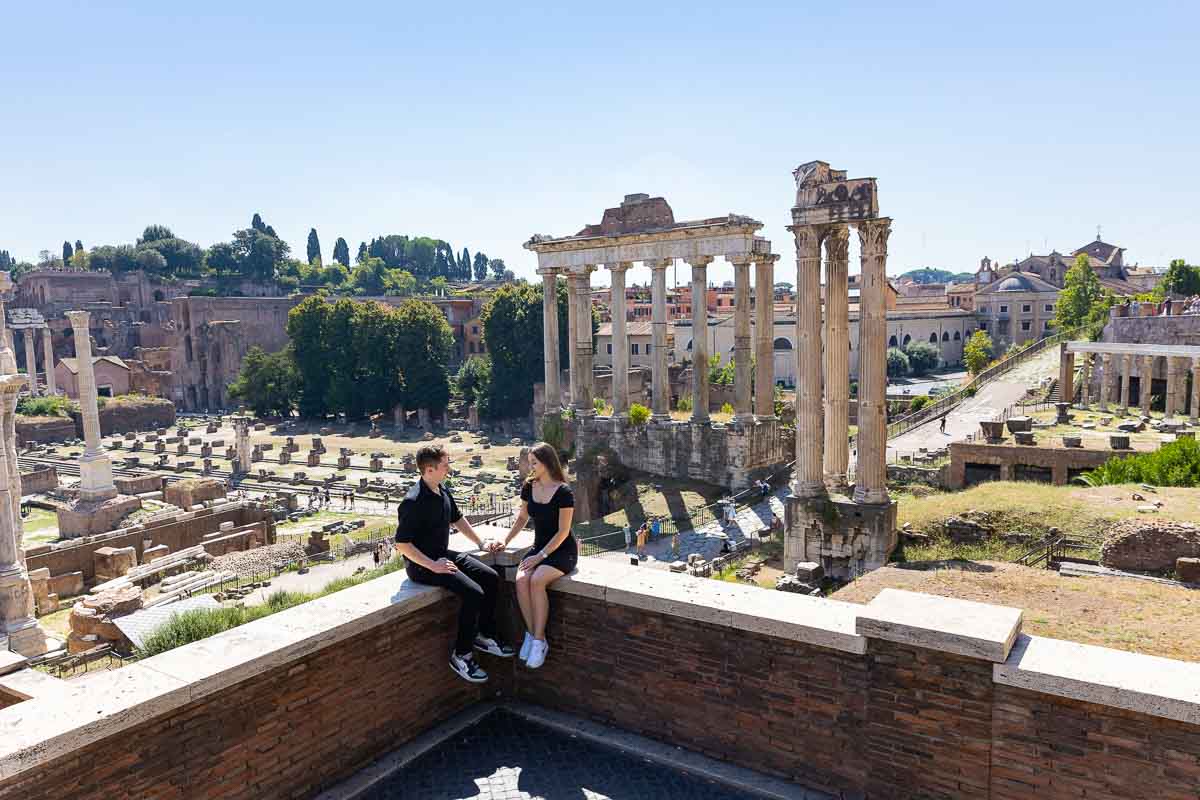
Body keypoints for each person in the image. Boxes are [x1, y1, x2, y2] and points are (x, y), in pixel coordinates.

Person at [394, 444, 513, 683]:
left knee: (490, 577)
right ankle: (462, 655)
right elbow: (402, 544)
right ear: (429, 470)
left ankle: (484, 635)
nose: (449, 469)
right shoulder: (413, 501)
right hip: (422, 566)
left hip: (442, 555)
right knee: (473, 593)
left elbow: (457, 519)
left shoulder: (442, 489)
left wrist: (481, 543)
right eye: (445, 465)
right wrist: (432, 565)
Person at [500, 442, 578, 670]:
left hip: (562, 550)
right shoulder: (529, 487)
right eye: (530, 462)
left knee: (536, 580)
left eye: (535, 462)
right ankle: (534, 635)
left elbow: (563, 531)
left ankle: (537, 641)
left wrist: (541, 555)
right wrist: (505, 541)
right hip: (540, 548)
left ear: (547, 462)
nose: (531, 466)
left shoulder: (564, 491)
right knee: (521, 579)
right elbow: (522, 518)